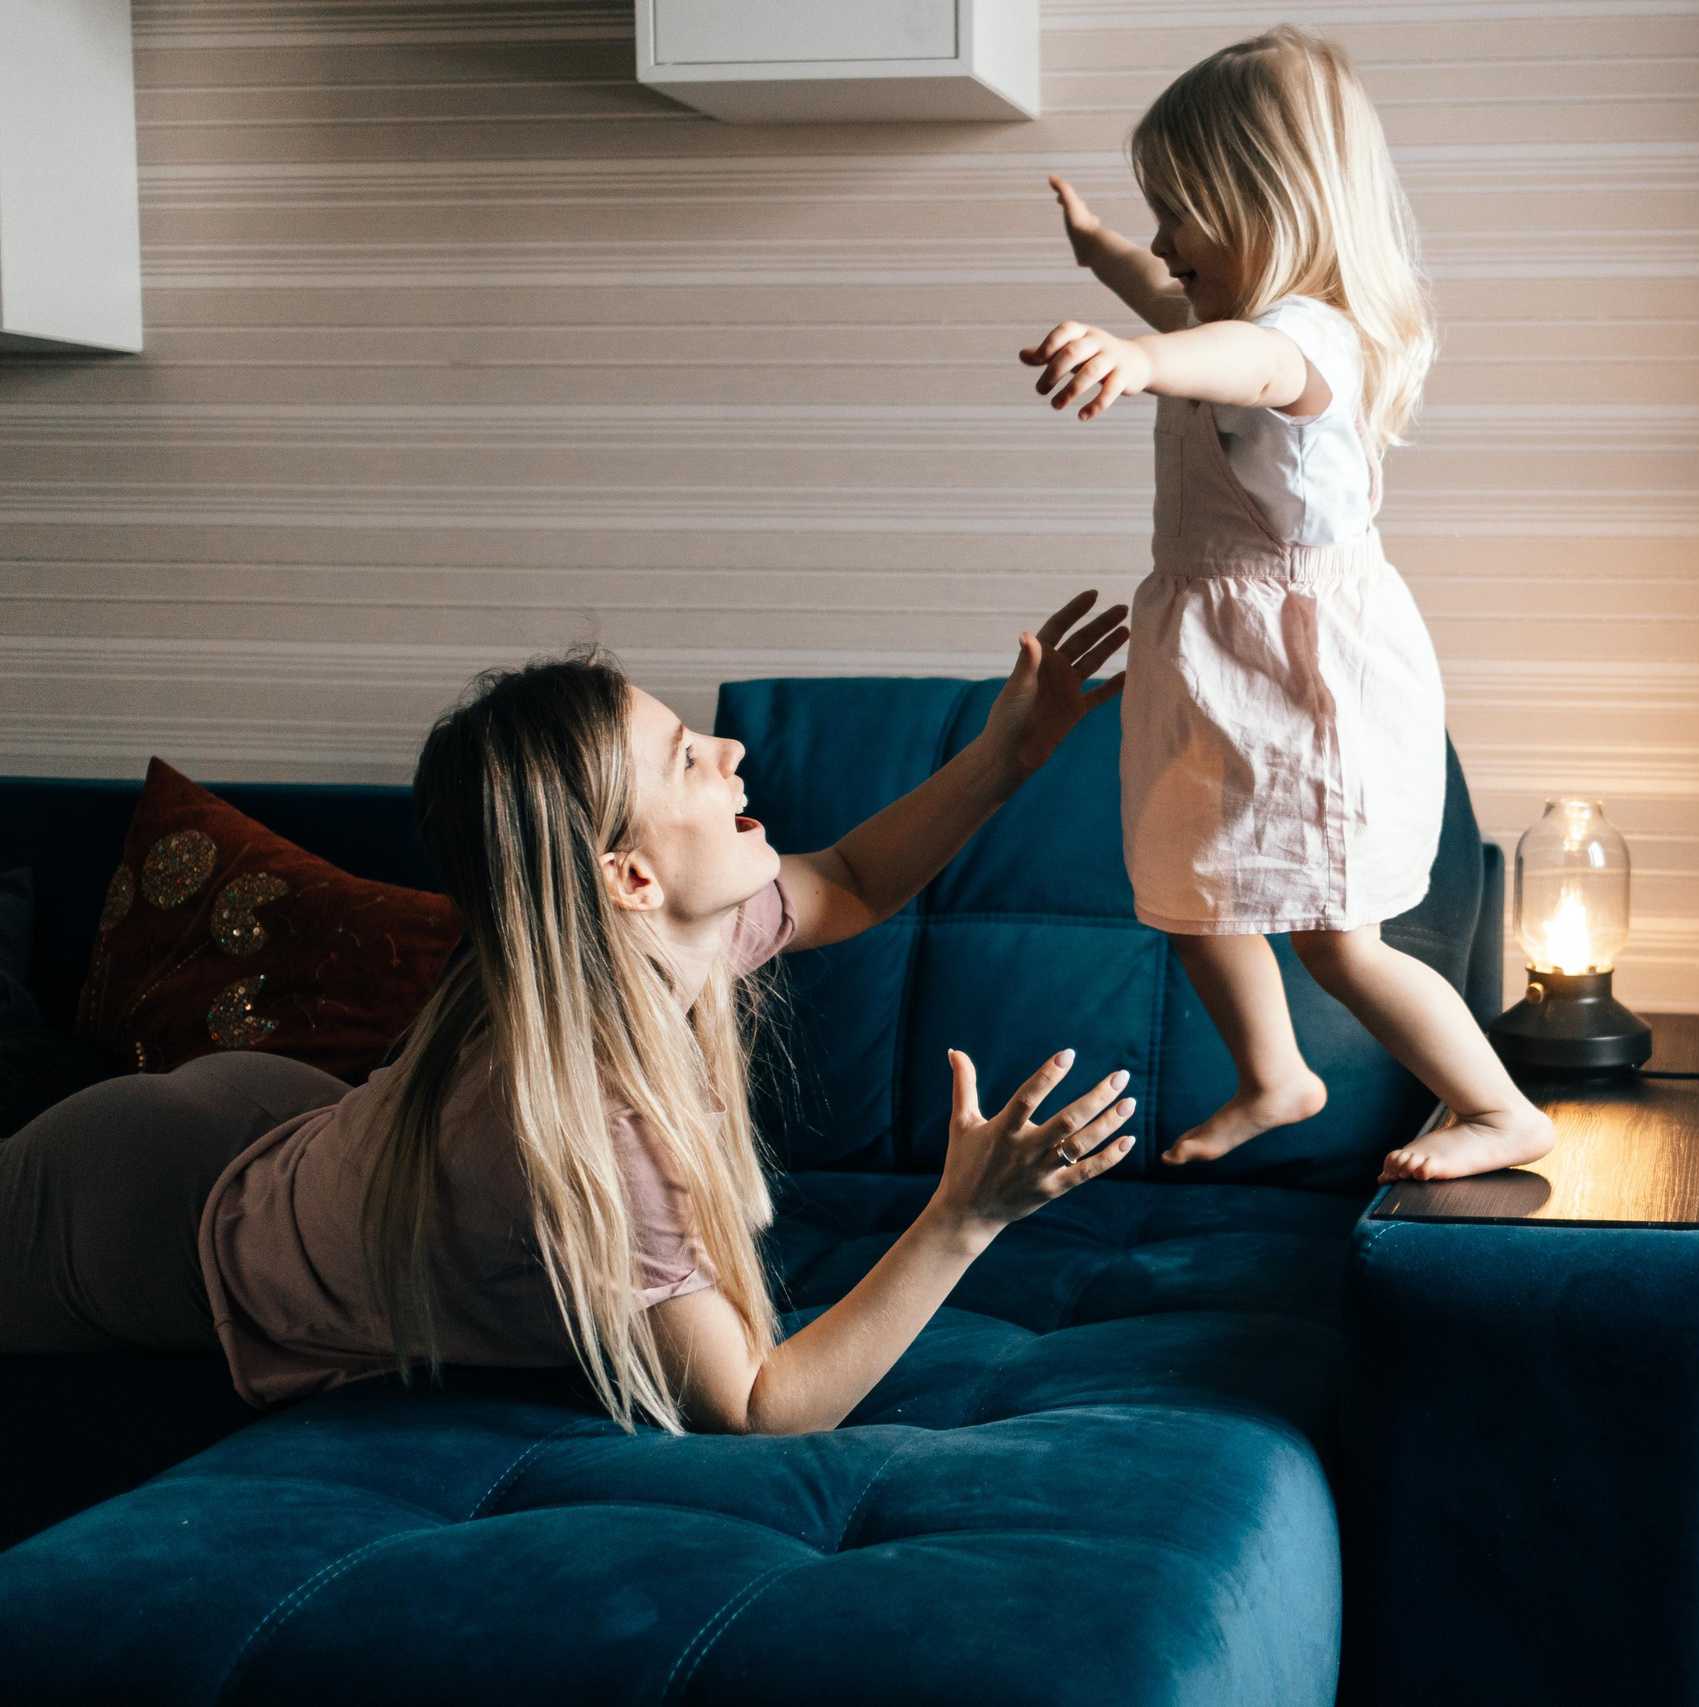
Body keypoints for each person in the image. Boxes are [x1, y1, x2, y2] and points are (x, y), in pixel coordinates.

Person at [0, 596, 1138, 1436]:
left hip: (277, 1127)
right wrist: (964, 1217)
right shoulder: (599, 1119)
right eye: (692, 758)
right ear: (629, 877)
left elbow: (852, 875)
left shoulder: (656, 942)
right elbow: (755, 1406)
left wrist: (1004, 758)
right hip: (142, 1213)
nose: (734, 751)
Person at [1023, 26, 1553, 1182]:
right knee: (1195, 891)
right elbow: (1175, 303)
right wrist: (1104, 251)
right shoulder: (1217, 316)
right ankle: (1278, 1080)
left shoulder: (1303, 341)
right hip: (1218, 666)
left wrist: (1134, 357)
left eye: (1178, 213)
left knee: (1337, 941)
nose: (1163, 242)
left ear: (1268, 205)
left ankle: (1500, 1107)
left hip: (1300, 681)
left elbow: (1237, 364)